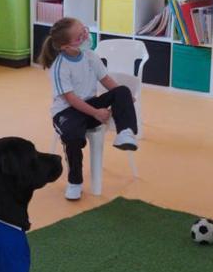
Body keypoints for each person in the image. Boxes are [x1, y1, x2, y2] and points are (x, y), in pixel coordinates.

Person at [37, 17, 138, 201]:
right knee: (72, 138)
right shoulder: (59, 67)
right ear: (66, 47)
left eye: (84, 31)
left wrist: (123, 97)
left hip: (89, 104)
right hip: (67, 112)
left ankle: (125, 132)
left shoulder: (91, 56)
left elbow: (106, 80)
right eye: (79, 37)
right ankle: (75, 182)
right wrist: (96, 113)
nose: (85, 37)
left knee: (122, 91)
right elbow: (72, 99)